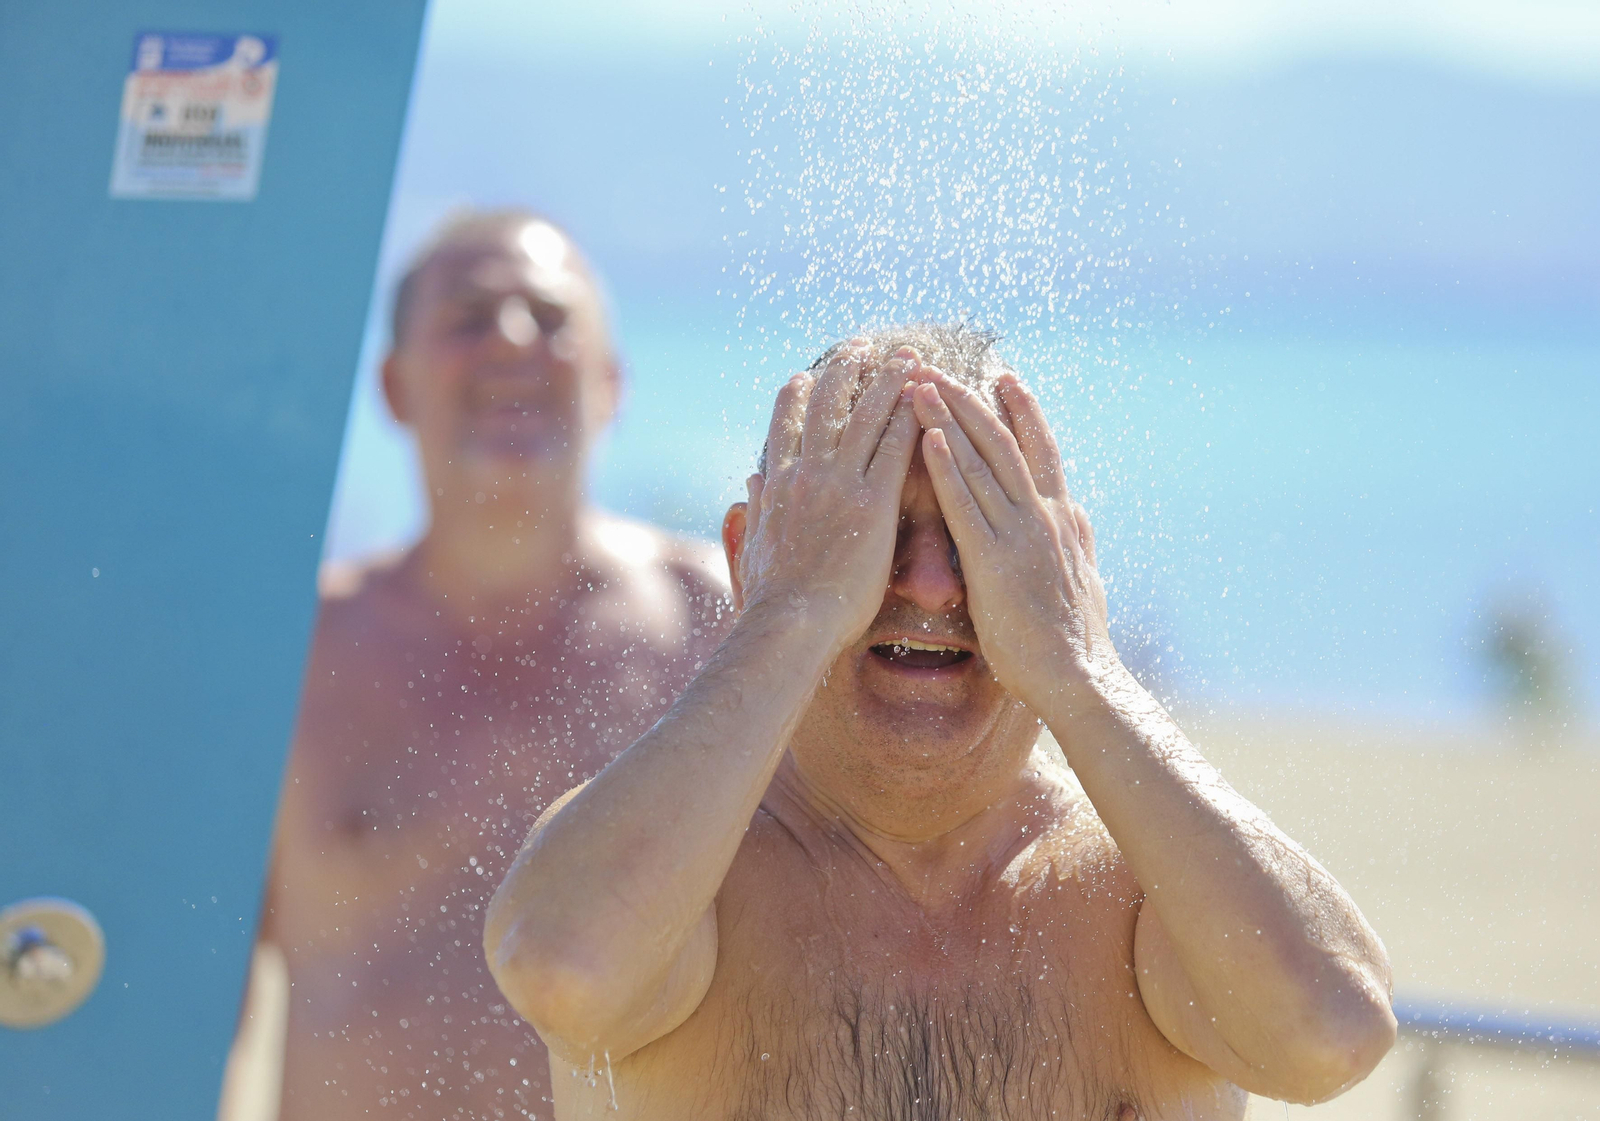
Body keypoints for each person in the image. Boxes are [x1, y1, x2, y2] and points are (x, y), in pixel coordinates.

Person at [484, 325, 1396, 1120]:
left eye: (975, 535)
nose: (929, 585)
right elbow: (563, 967)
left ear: (1059, 565)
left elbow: (1331, 1033)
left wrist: (1079, 666)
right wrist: (791, 609)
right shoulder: (682, 886)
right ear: (752, 554)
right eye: (874, 532)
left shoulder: (1143, 891)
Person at [225, 211, 731, 1121]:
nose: (509, 337)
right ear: (393, 385)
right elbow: (201, 996)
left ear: (612, 383)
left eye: (548, 316)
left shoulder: (720, 632)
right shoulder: (295, 653)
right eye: (467, 315)